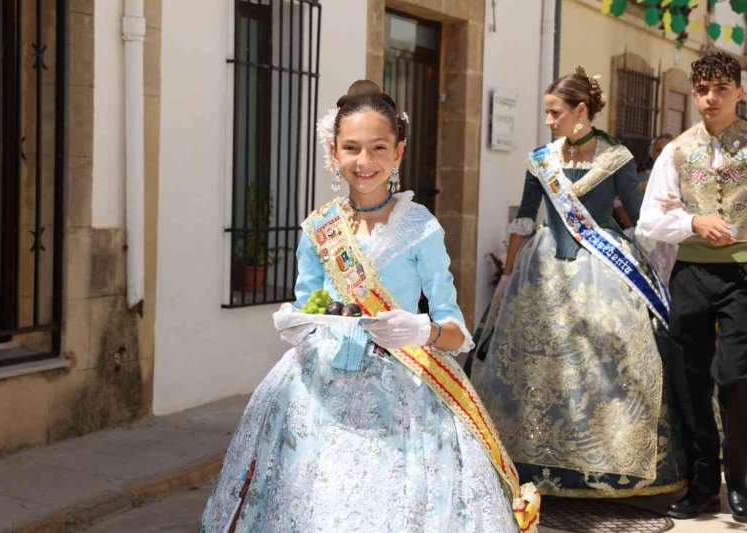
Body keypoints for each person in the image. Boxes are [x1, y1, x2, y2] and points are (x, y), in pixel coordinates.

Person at [199, 80, 539, 533]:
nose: (364, 162)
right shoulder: (319, 227)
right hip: (319, 388)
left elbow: (455, 329)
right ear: (333, 152)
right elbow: (309, 305)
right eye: (352, 148)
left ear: (398, 152)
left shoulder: (421, 228)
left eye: (378, 148)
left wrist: (422, 330)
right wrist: (296, 323)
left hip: (408, 386)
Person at [471, 67, 686, 498]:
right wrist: (508, 277)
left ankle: (608, 465)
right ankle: (530, 462)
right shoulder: (541, 159)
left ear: (580, 111)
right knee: (533, 364)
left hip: (601, 269)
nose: (549, 121)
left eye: (555, 112)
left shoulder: (616, 157)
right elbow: (525, 219)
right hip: (541, 271)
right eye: (548, 113)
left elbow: (641, 216)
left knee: (606, 362)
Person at [636, 51, 747, 523]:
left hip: (743, 275)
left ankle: (739, 483)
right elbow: (648, 221)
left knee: (736, 379)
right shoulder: (676, 150)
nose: (709, 98)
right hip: (692, 277)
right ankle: (702, 487)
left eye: (721, 88)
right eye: (702, 89)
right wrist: (692, 220)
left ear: (740, 92)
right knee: (689, 380)